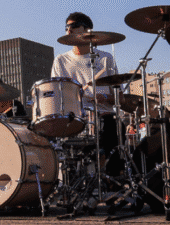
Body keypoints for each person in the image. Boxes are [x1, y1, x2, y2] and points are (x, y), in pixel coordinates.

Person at [51, 12, 123, 174]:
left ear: (88, 30)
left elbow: (120, 98)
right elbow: (57, 96)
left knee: (117, 127)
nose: (69, 30)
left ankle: (109, 177)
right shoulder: (61, 60)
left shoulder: (105, 59)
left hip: (104, 118)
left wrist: (105, 97)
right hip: (75, 120)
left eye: (74, 26)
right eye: (66, 27)